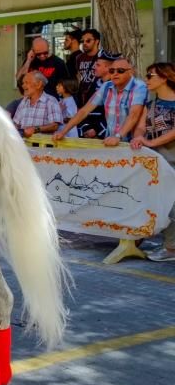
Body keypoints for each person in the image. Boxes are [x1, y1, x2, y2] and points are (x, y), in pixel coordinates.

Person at [131, 63, 175, 261]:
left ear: (165, 78)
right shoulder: (151, 104)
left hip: (171, 158)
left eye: (150, 75)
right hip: (156, 160)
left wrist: (151, 141)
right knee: (159, 202)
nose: (147, 79)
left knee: (172, 203)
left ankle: (171, 247)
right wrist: (139, 137)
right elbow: (141, 127)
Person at [53, 54, 147, 145]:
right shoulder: (106, 86)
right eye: (111, 71)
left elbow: (134, 115)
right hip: (110, 141)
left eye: (120, 71)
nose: (115, 74)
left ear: (131, 72)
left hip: (132, 144)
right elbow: (84, 111)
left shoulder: (139, 86)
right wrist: (63, 132)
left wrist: (118, 136)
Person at [12, 71, 62, 138]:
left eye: (27, 82)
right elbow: (16, 124)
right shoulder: (24, 102)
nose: (23, 86)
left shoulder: (50, 101)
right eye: (23, 83)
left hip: (42, 146)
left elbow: (54, 126)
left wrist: (36, 129)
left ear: (39, 85)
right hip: (25, 145)